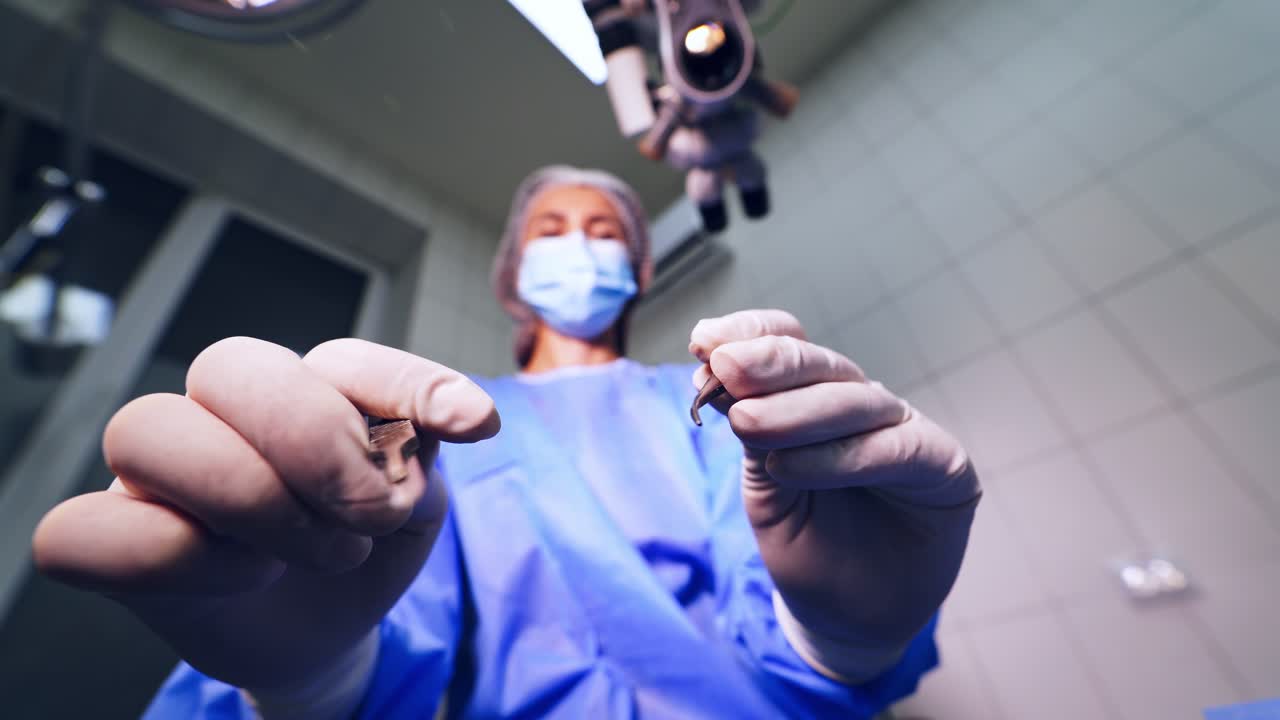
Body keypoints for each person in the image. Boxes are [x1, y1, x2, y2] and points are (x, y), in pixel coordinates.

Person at [31, 166, 981, 719]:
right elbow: (394, 634)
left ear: (637, 268)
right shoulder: (435, 420)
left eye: (602, 231)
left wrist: (840, 633)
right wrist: (311, 679)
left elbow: (780, 625)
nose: (580, 245)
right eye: (553, 229)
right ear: (513, 274)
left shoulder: (701, 400)